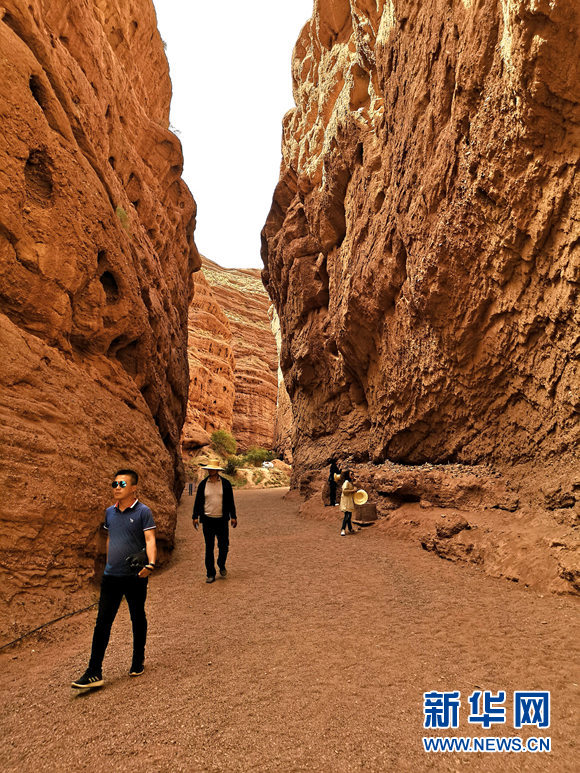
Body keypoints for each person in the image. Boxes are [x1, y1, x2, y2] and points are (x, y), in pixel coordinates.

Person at [71, 469, 156, 690]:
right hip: (112, 577)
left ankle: (138, 660)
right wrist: (108, 564)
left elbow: (150, 539)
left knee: (137, 616)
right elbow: (110, 540)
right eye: (114, 484)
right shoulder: (109, 512)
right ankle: (93, 671)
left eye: (122, 484)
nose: (116, 488)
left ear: (133, 488)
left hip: (136, 575)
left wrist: (151, 564)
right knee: (102, 623)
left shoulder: (143, 512)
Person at [192, 459, 237, 583]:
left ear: (217, 470)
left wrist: (233, 516)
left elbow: (230, 501)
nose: (210, 471)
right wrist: (195, 516)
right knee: (209, 547)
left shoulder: (226, 484)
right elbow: (198, 501)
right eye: (209, 469)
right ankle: (210, 573)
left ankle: (221, 564)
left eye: (213, 469)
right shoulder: (203, 484)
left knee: (224, 546)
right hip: (208, 521)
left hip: (222, 521)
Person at [340, 470, 357, 536]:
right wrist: (353, 490)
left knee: (349, 515)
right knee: (347, 515)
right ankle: (343, 529)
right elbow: (344, 491)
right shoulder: (346, 482)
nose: (353, 475)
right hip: (345, 500)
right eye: (351, 474)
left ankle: (350, 529)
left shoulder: (350, 482)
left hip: (348, 500)